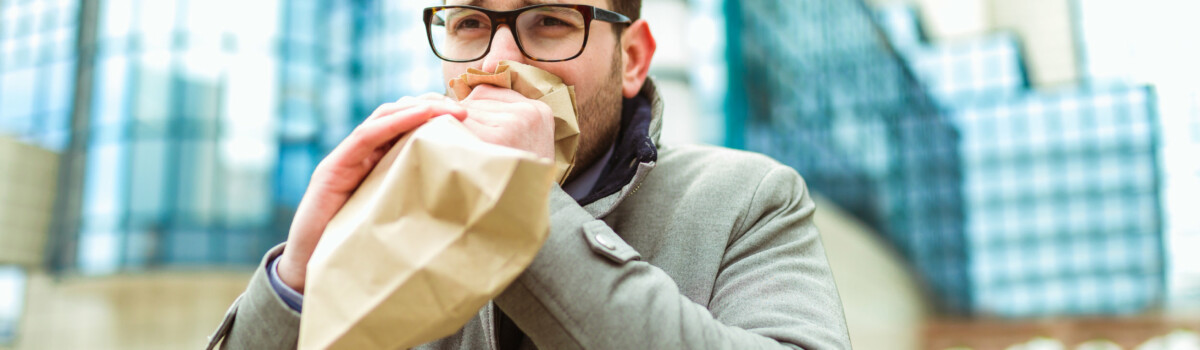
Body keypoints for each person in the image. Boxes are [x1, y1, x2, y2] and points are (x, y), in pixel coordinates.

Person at [208, 0, 851, 349]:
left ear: (631, 58)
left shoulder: (749, 199)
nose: (498, 59)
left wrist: (520, 205)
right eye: (469, 24)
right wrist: (297, 277)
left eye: (548, 21)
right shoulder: (395, 210)